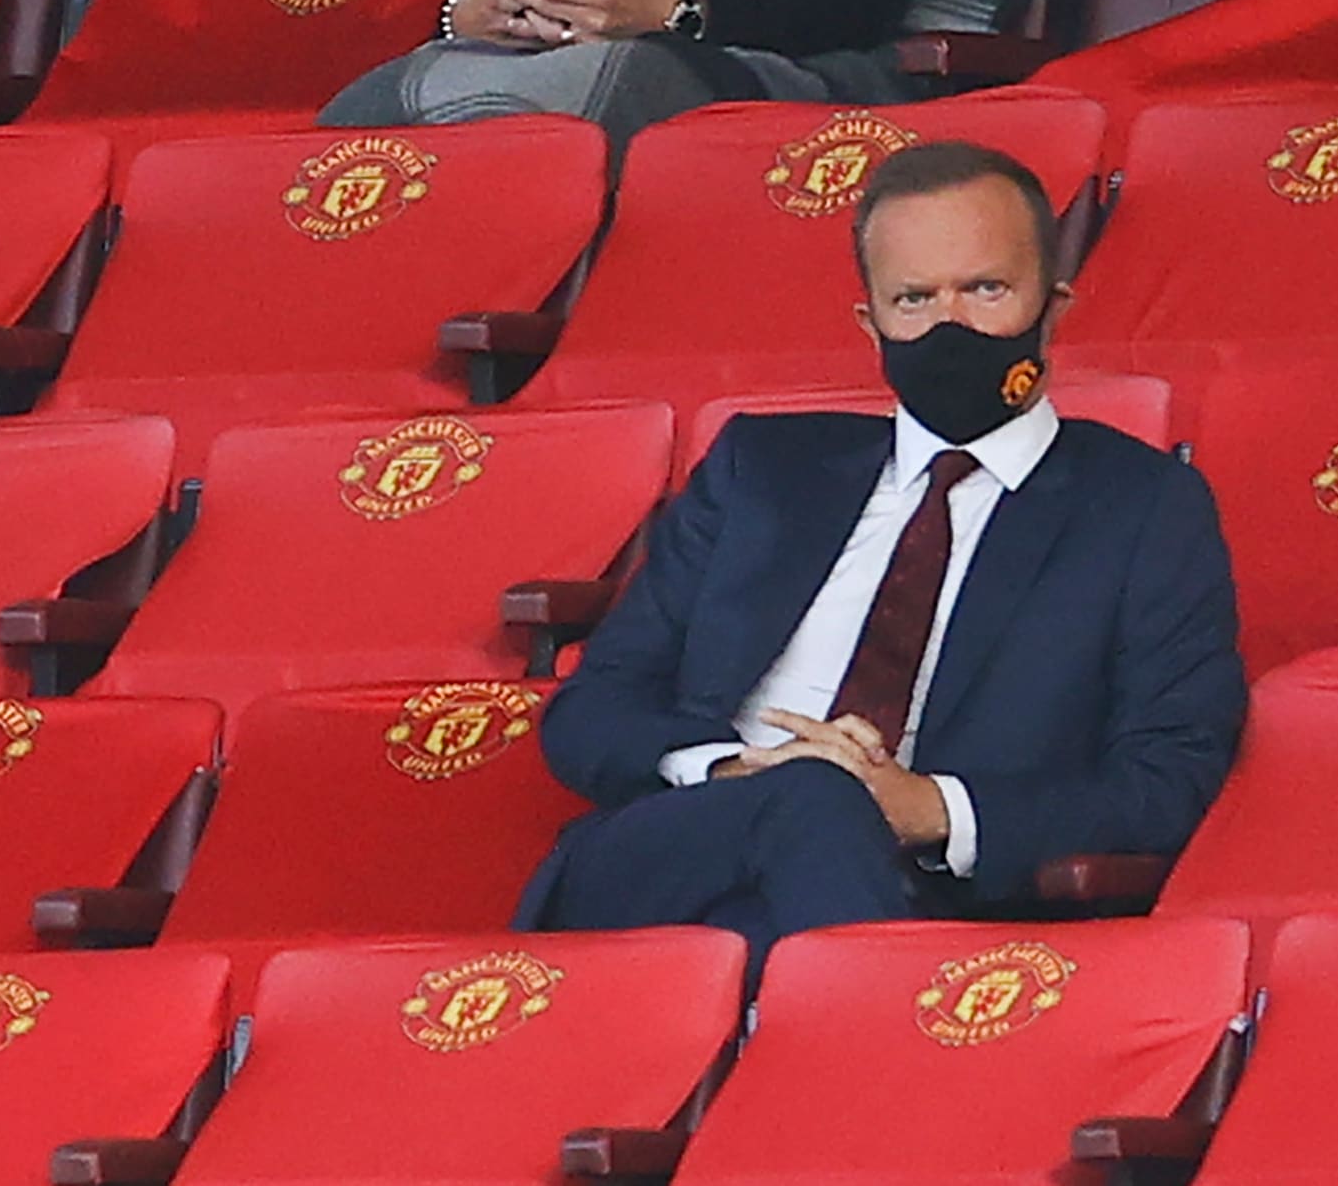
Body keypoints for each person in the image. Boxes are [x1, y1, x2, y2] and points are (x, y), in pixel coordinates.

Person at [512, 142, 1246, 970]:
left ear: (1055, 305)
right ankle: (876, 1020)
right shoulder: (762, 469)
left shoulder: (1141, 507)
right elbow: (593, 712)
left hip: (924, 892)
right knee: (809, 796)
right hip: (671, 857)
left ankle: (819, 1006)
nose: (948, 325)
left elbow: (1166, 780)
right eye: (914, 298)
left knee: (768, 924)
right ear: (871, 324)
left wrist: (928, 806)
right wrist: (736, 770)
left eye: (986, 289)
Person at [319, 0, 1010, 150]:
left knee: (611, 87)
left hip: (841, 64)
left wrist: (679, 13)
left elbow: (851, 11)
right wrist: (468, 13)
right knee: (363, 112)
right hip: (563, 50)